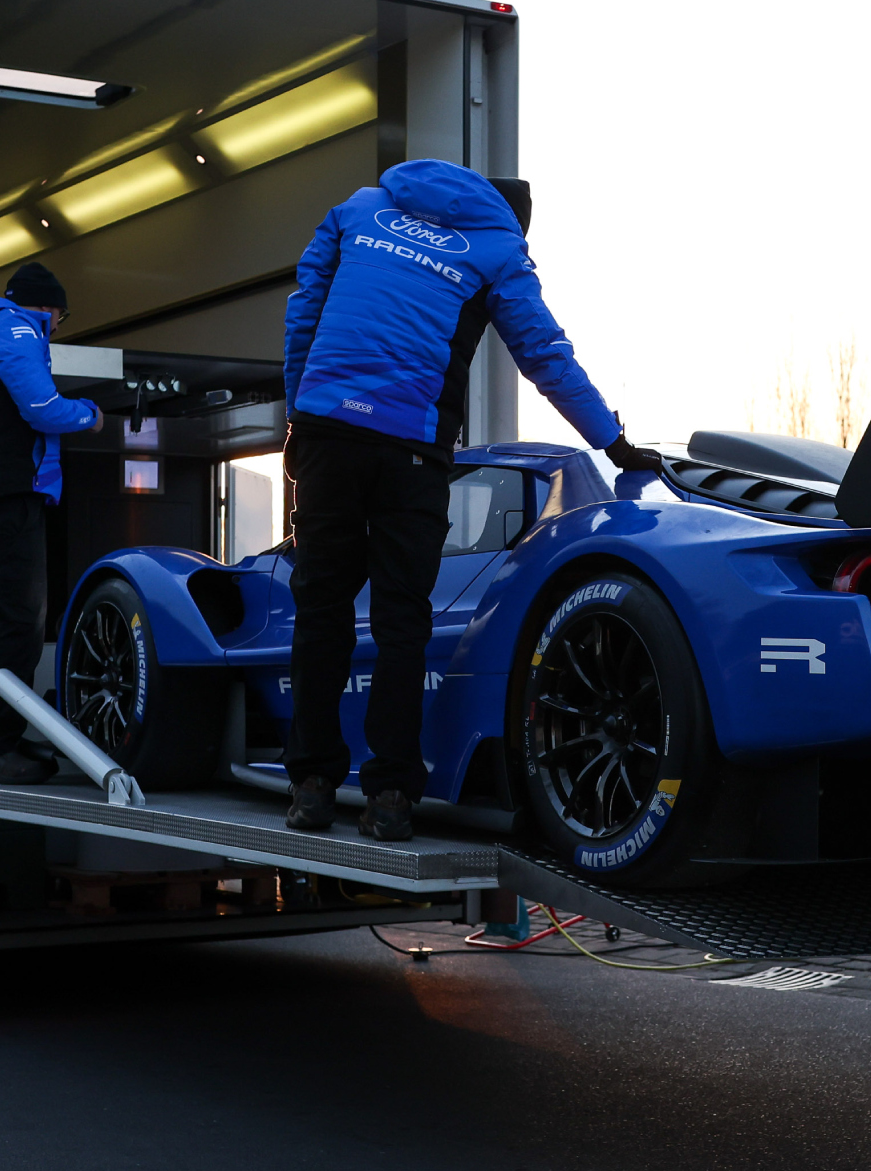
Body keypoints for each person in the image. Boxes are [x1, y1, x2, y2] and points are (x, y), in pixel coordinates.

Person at [280, 160, 661, 841]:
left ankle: (311, 786)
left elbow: (304, 307)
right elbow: (544, 355)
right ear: (516, 223)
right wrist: (614, 444)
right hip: (411, 449)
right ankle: (391, 796)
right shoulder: (496, 249)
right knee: (401, 620)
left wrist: (300, 414)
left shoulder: (360, 209)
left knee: (321, 606)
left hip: (327, 432)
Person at [0, 262, 103, 785]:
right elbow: (43, 408)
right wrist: (90, 412)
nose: (58, 327)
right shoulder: (13, 327)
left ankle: (6, 737)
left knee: (9, 622)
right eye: (61, 315)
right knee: (20, 622)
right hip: (7, 493)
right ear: (47, 307)